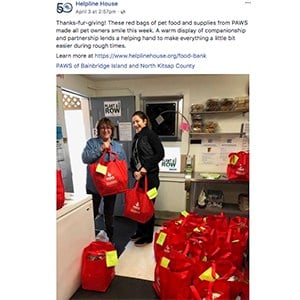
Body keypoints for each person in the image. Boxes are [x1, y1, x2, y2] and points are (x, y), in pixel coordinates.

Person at [82, 117, 127, 242]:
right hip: (94, 186)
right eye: (102, 128)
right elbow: (85, 158)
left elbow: (123, 164)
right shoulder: (91, 143)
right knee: (93, 212)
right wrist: (101, 149)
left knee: (109, 213)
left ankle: (110, 238)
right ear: (98, 130)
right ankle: (88, 237)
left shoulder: (117, 146)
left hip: (111, 185)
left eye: (108, 127)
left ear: (111, 130)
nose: (105, 130)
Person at [130, 111, 165, 247]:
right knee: (139, 206)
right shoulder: (137, 136)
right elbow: (133, 158)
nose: (135, 124)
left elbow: (160, 154)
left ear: (145, 121)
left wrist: (145, 168)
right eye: (133, 122)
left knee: (148, 207)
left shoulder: (150, 134)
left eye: (137, 121)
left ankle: (147, 236)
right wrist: (134, 171)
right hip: (140, 178)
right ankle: (140, 231)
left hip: (150, 179)